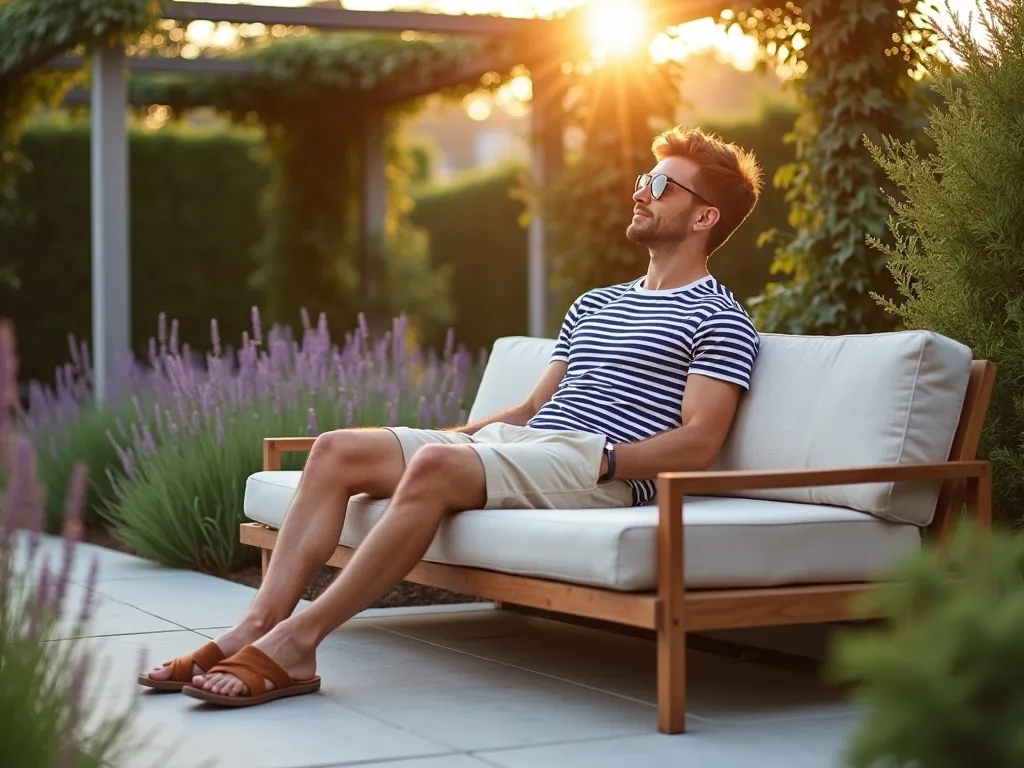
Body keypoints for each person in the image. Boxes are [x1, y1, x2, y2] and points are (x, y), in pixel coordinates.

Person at [138, 126, 765, 706]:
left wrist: (604, 458)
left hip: (597, 466)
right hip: (524, 444)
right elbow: (529, 407)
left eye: (660, 185)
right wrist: (453, 437)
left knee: (437, 465)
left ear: (704, 216)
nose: (640, 193)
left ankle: (298, 644)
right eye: (641, 180)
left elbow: (698, 443)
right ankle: (255, 624)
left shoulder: (719, 318)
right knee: (335, 449)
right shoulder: (595, 304)